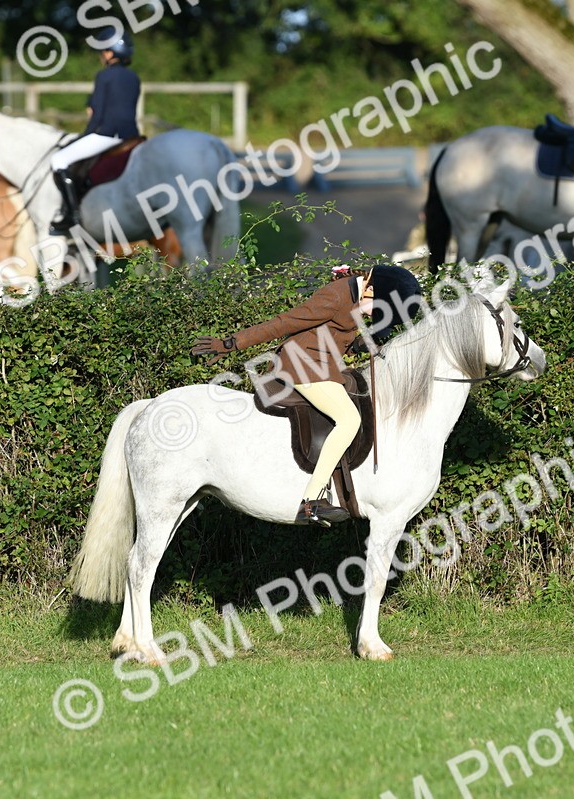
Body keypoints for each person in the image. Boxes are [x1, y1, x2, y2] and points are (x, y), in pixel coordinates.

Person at [191, 265, 422, 526]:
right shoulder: (336, 296)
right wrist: (233, 342)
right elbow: (285, 322)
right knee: (349, 420)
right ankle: (311, 501)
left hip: (323, 364)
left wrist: (362, 345)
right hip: (301, 366)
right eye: (377, 310)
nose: (372, 317)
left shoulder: (357, 294)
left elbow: (333, 338)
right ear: (371, 290)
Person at [48, 27, 140, 235]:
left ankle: (72, 215)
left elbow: (97, 116)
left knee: (59, 160)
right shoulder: (134, 77)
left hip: (107, 136)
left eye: (103, 52)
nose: (101, 56)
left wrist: (84, 136)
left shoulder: (104, 76)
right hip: (132, 135)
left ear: (109, 53)